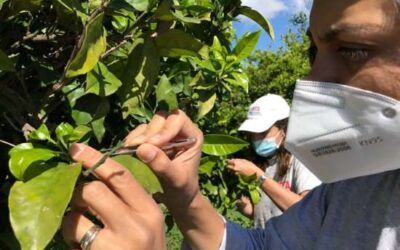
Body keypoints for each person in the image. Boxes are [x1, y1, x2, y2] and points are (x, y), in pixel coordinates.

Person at [62, 0, 400, 249]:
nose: (313, 78)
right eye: (314, 52)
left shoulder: (323, 169)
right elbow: (263, 246)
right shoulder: (355, 187)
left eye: (354, 49)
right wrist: (186, 197)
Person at [227, 94, 320, 228]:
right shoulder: (263, 161)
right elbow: (260, 214)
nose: (256, 138)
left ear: (284, 129)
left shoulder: (301, 158)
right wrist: (233, 190)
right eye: (253, 133)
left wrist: (258, 176)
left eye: (262, 131)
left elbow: (306, 210)